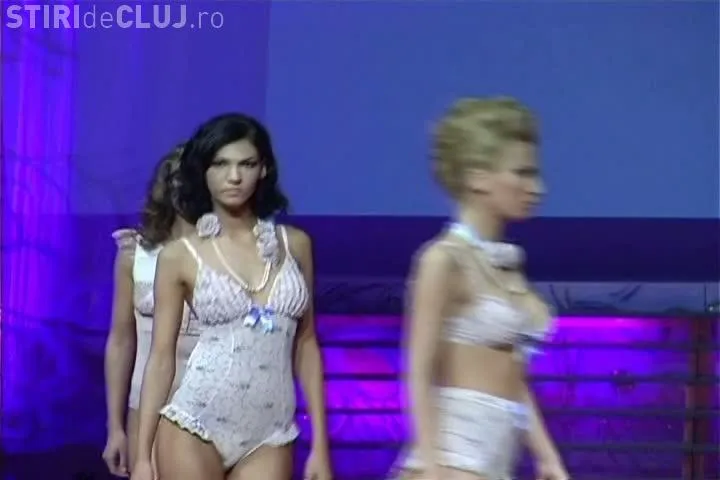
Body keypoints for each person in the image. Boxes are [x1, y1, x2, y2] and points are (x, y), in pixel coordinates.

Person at [131, 113, 332, 480]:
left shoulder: (295, 245)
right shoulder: (180, 256)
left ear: (264, 169)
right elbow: (160, 357)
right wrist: (143, 456)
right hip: (195, 423)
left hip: (271, 433)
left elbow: (306, 344)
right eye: (221, 164)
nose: (234, 176)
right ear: (203, 172)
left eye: (247, 164)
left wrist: (321, 444)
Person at [392, 97, 569, 480]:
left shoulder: (506, 265)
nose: (536, 188)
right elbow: (418, 371)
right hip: (453, 460)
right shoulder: (442, 260)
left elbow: (512, 377)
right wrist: (433, 466)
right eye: (522, 174)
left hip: (495, 461)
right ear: (478, 177)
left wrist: (547, 456)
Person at [103, 145, 199, 477]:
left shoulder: (227, 256)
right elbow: (120, 341)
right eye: (178, 179)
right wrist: (115, 427)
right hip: (146, 410)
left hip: (213, 412)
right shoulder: (135, 254)